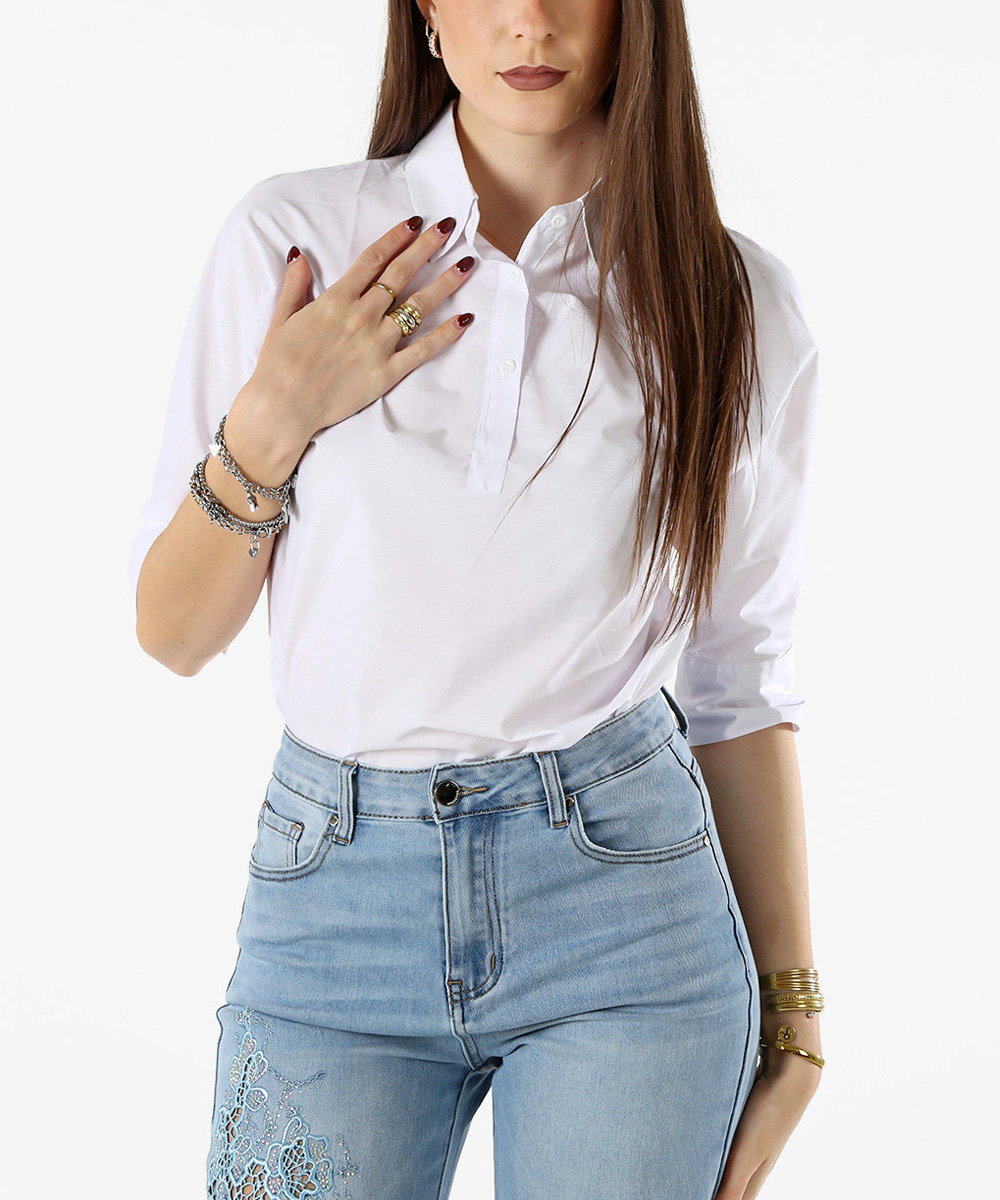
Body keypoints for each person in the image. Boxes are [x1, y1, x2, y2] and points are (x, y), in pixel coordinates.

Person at [128, 2, 825, 1197]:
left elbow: (738, 680)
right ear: (427, 16)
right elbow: (174, 632)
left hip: (627, 904)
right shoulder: (294, 236)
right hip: (332, 900)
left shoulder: (733, 300)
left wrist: (794, 1006)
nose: (530, 19)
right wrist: (274, 416)